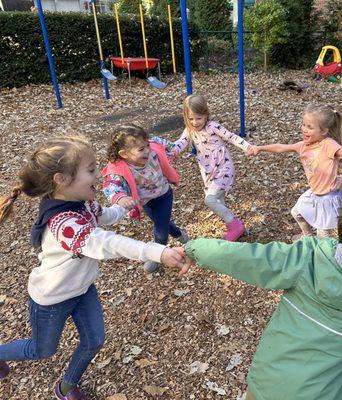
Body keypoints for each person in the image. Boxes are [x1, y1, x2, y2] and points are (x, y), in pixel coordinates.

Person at [176, 186, 342, 400]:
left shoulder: (309, 257)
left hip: (268, 382)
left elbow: (245, 257)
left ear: (340, 228)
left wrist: (194, 248)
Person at [0, 136, 182, 400]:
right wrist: (157, 251)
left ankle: (66, 386)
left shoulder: (83, 202)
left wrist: (119, 207)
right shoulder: (63, 223)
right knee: (41, 350)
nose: (99, 174)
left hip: (82, 289)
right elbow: (104, 243)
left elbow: (102, 216)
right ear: (61, 180)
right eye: (91, 170)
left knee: (94, 339)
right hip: (52, 298)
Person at [249, 104, 342, 240]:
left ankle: (323, 254)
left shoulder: (328, 145)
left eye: (310, 127)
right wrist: (260, 148)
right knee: (297, 212)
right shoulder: (303, 146)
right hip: (315, 194)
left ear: (324, 131)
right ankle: (308, 236)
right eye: (303, 125)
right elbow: (281, 148)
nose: (304, 130)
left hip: (328, 197)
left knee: (322, 235)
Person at [103, 123, 189, 273]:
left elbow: (167, 145)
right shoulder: (119, 168)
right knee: (162, 222)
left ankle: (156, 255)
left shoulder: (153, 148)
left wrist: (176, 146)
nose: (147, 151)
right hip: (145, 202)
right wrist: (120, 197)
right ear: (124, 154)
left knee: (160, 231)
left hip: (163, 195)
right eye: (141, 149)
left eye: (147, 145)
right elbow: (111, 185)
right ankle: (179, 234)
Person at [171, 93, 253, 241]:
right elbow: (180, 143)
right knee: (219, 200)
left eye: (198, 118)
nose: (195, 122)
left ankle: (236, 226)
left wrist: (247, 147)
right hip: (208, 171)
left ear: (206, 114)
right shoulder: (189, 131)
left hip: (223, 167)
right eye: (191, 119)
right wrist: (172, 150)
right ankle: (232, 228)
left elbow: (231, 136)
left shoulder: (213, 127)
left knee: (210, 200)